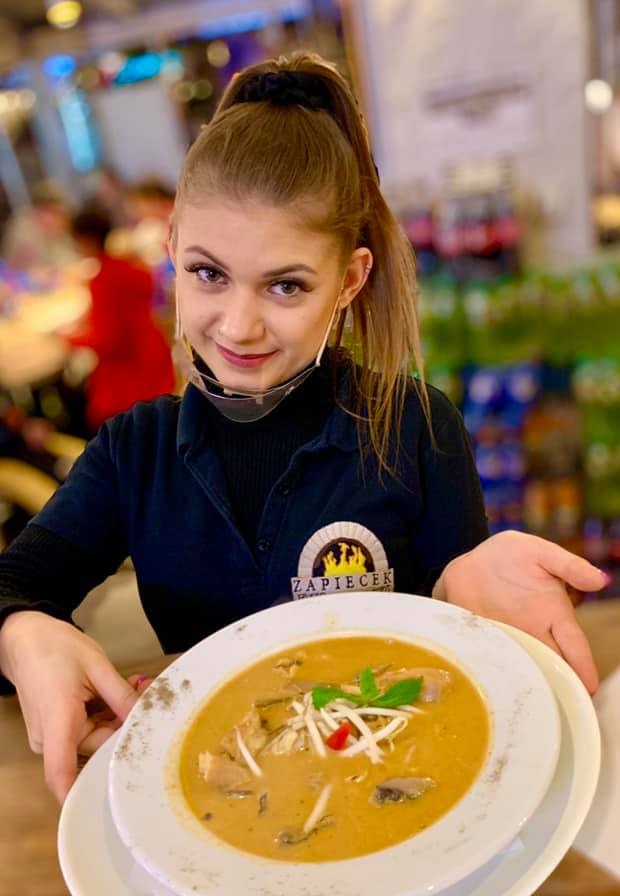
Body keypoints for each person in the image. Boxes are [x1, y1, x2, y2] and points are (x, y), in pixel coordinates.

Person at [0, 52, 607, 805]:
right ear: (172, 249)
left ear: (349, 279)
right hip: (214, 805)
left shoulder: (416, 429)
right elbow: (15, 585)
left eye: (285, 285)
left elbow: (460, 641)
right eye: (208, 274)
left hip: (391, 792)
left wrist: (458, 589)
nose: (238, 325)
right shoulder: (134, 453)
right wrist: (24, 634)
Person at [66, 206, 176, 431]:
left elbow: (108, 340)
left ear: (86, 240)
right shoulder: (128, 266)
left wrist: (69, 339)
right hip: (155, 356)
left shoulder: (102, 280)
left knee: (80, 404)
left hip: (130, 372)